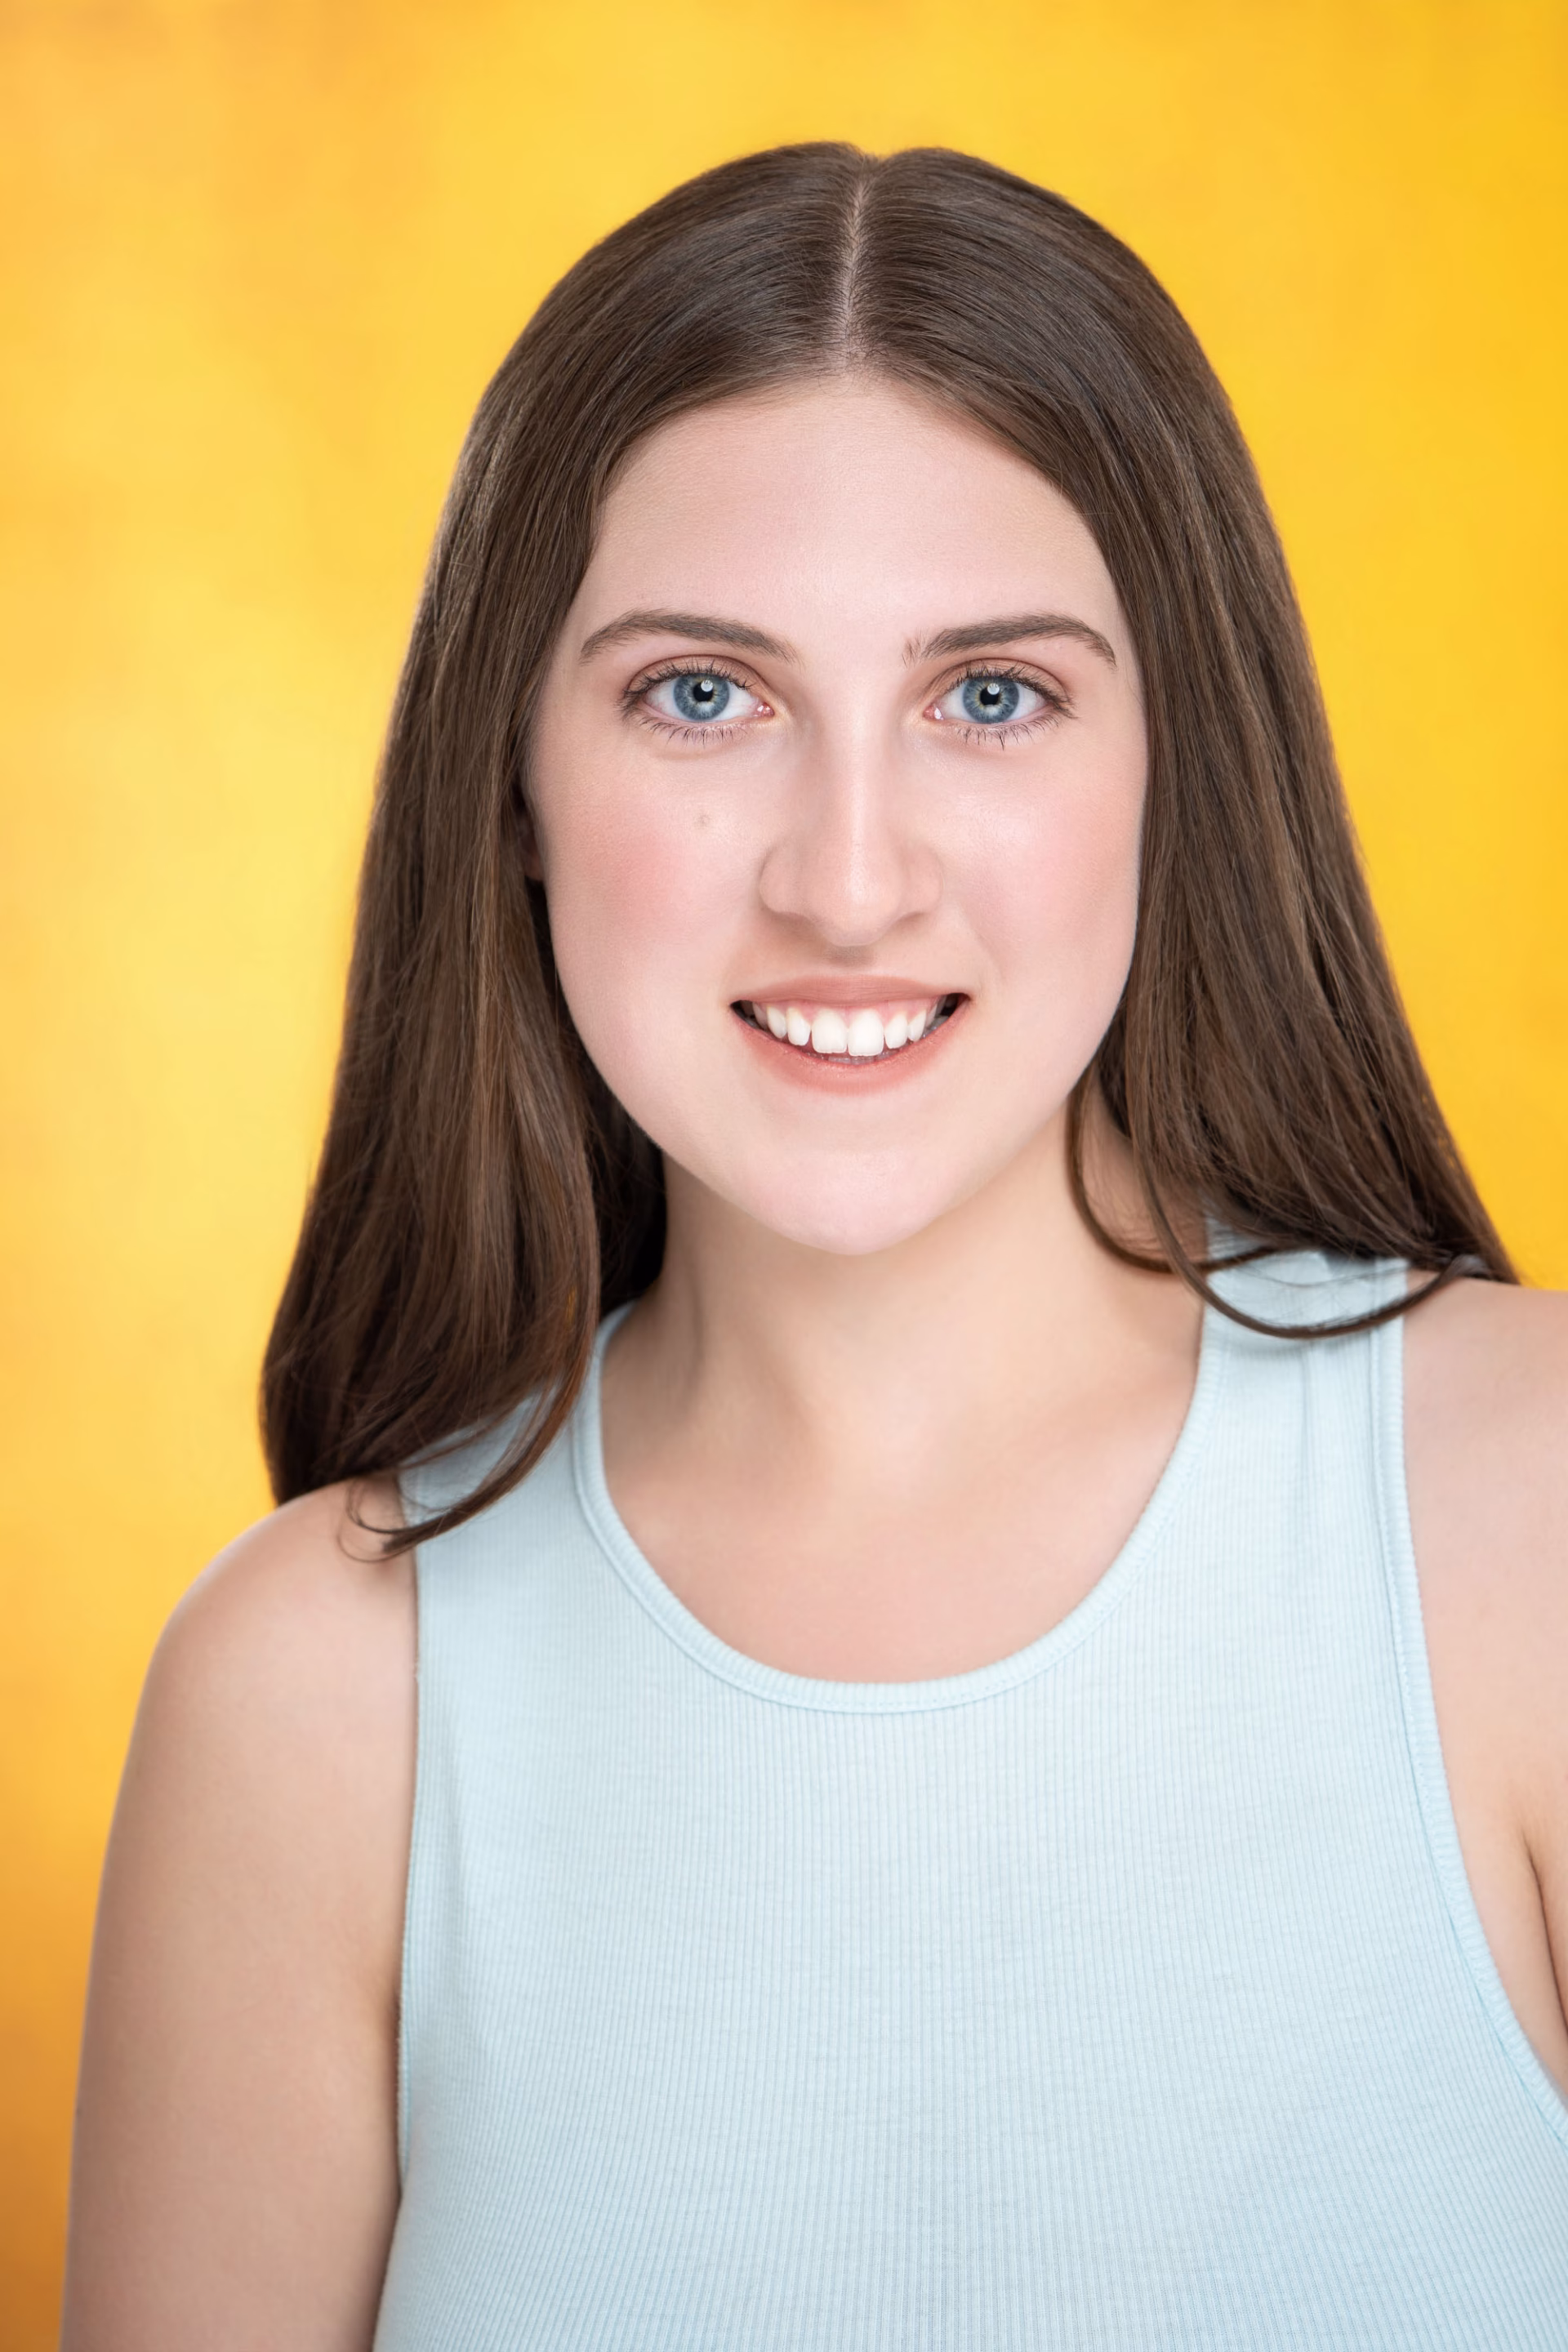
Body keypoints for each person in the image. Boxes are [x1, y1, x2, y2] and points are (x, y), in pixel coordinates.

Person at [62, 144, 1568, 2349]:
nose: (848, 883)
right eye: (703, 694)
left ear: (1181, 763)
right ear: (514, 785)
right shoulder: (306, 1704)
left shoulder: (1534, 1527)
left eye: (992, 696)